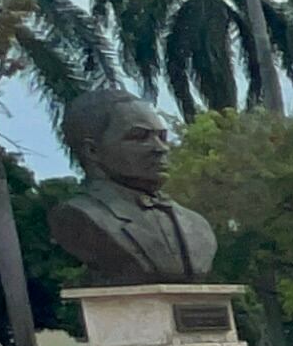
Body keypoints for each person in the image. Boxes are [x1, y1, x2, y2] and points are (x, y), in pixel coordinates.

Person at [46, 90, 214, 286]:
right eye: (139, 137)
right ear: (92, 151)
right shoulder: (80, 216)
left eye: (162, 137)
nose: (161, 148)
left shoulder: (197, 225)